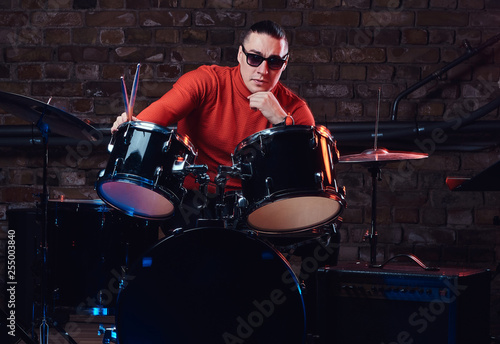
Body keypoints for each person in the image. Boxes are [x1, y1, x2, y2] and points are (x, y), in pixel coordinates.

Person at [111, 20, 315, 228]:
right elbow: (151, 119)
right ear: (240, 55)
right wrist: (131, 125)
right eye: (254, 58)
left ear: (285, 63)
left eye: (273, 62)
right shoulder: (206, 82)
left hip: (254, 205)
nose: (263, 70)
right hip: (192, 197)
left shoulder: (295, 109)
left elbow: (305, 176)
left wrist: (282, 121)